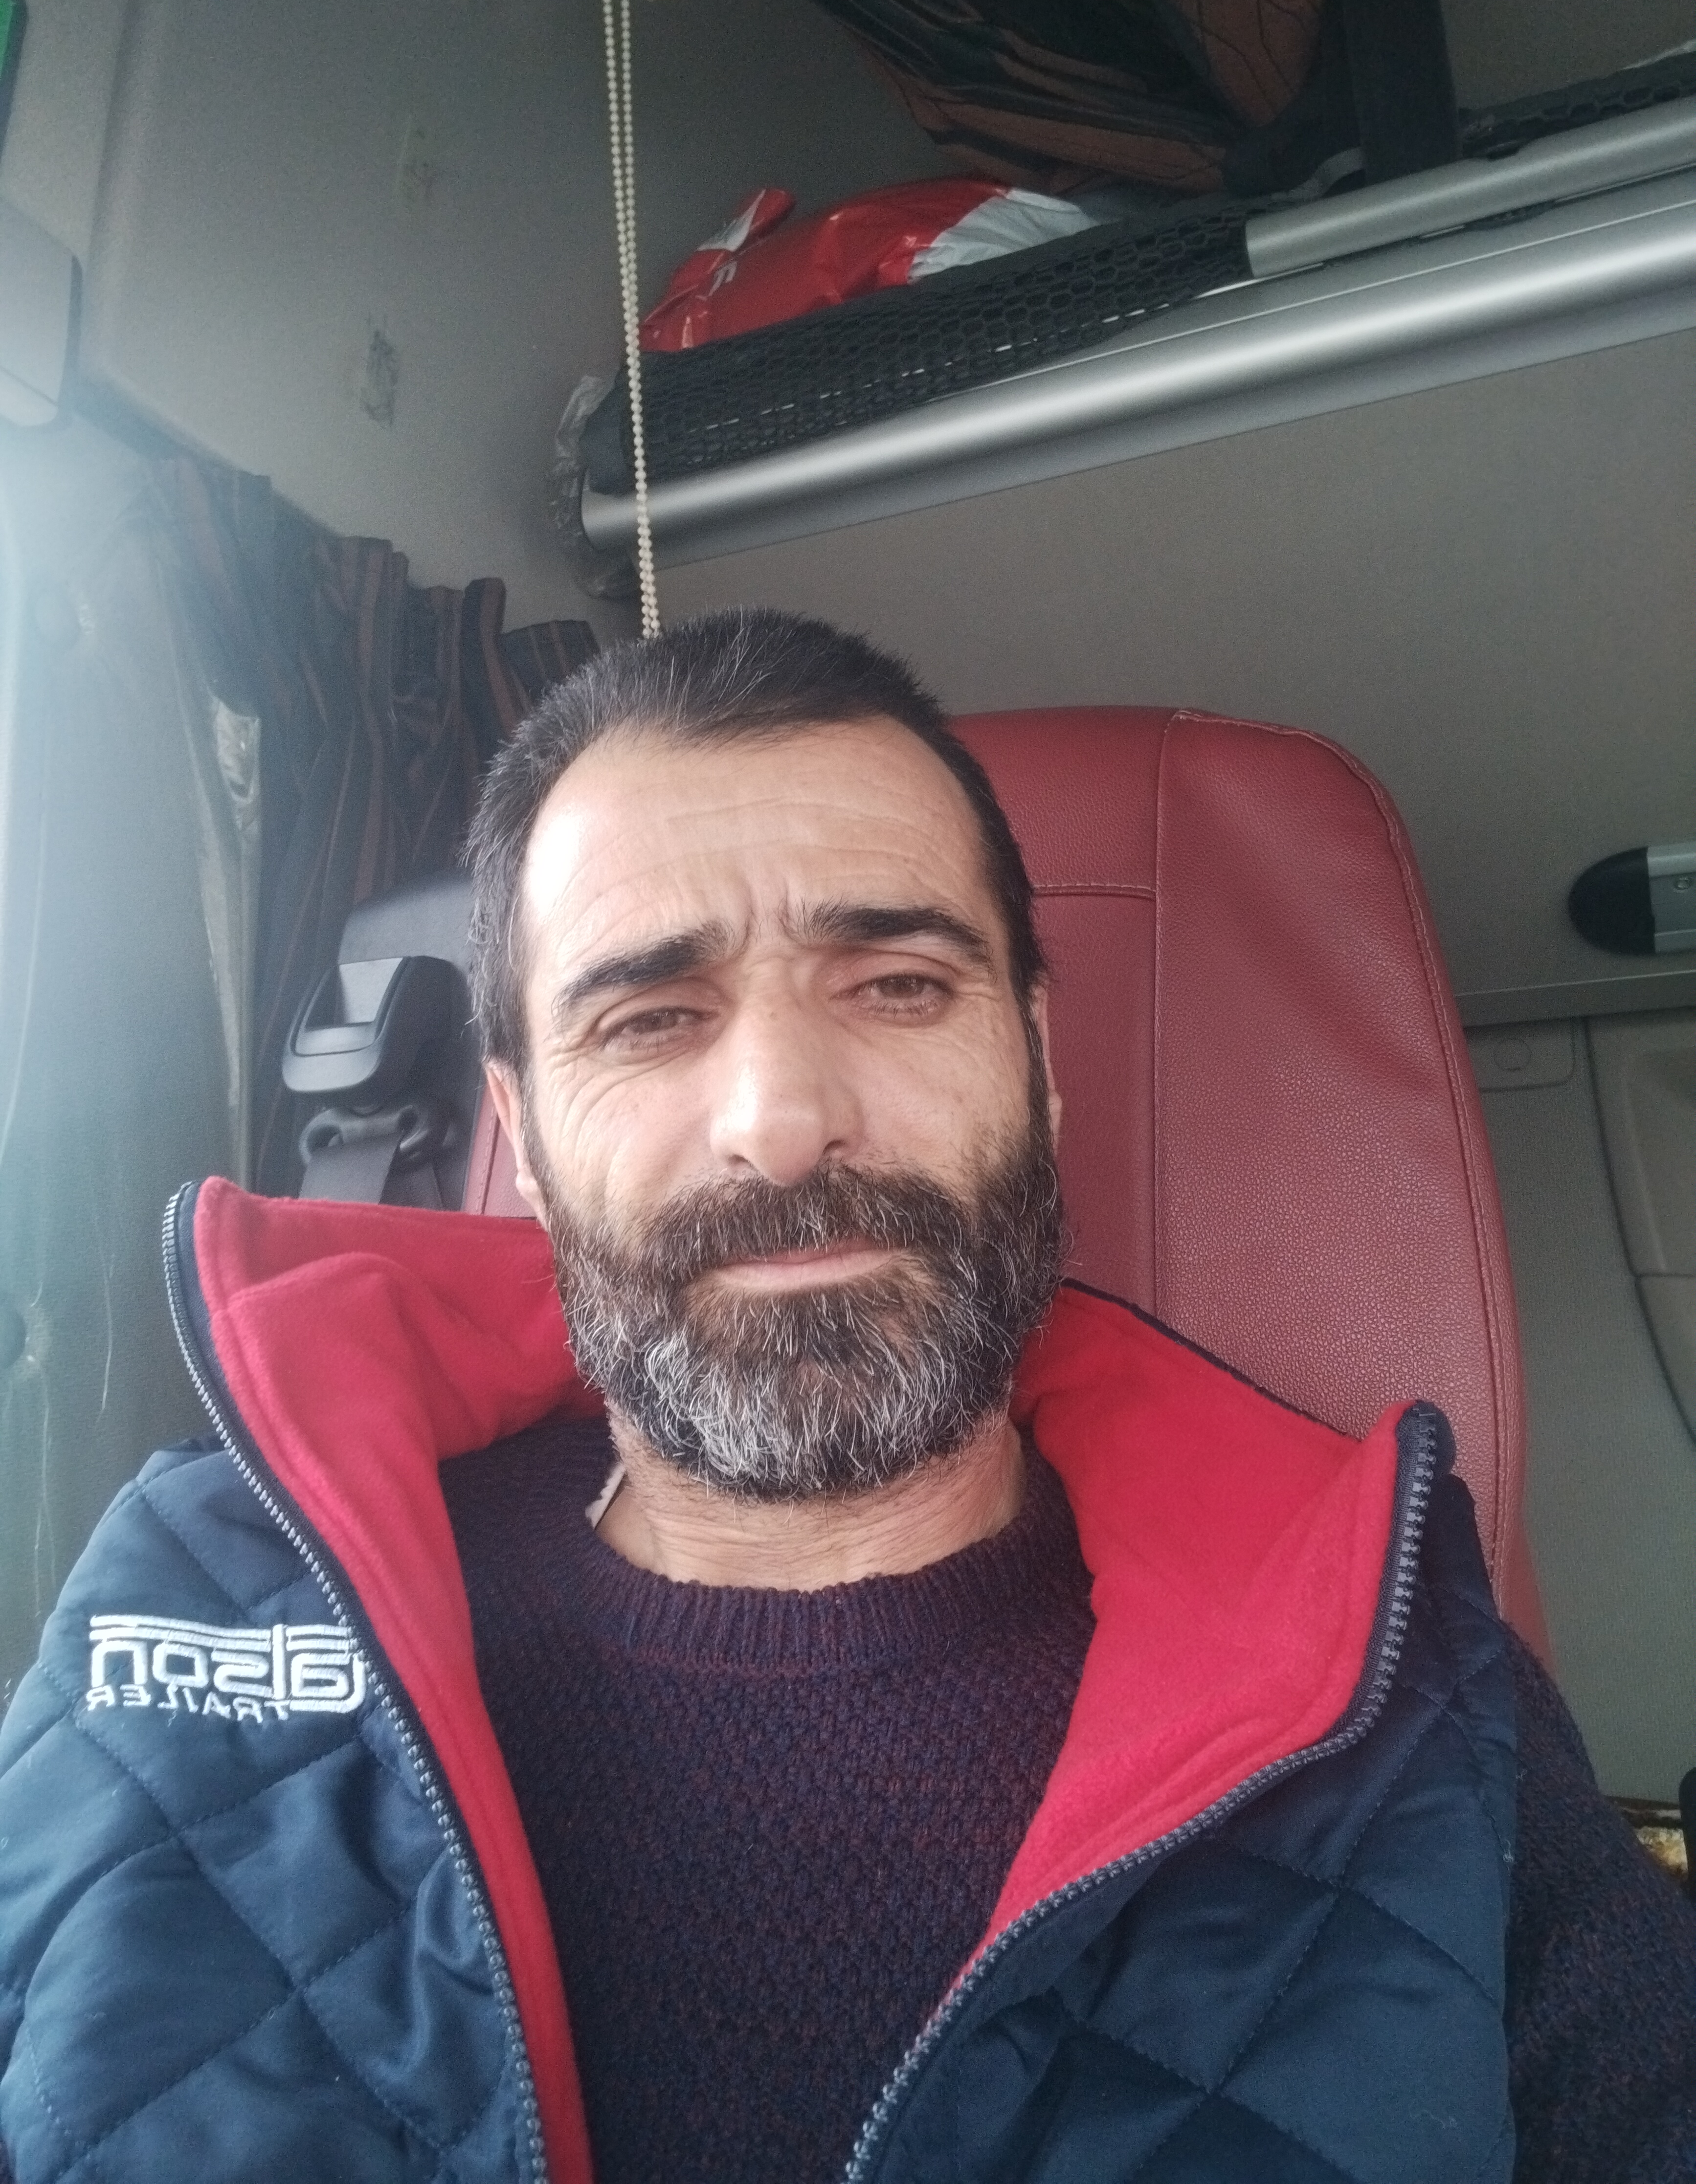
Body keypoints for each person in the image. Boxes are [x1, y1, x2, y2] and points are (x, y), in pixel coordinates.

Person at [1, 609, 1693, 2184]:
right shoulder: (199, 1587)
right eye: (649, 1017)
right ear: (518, 1131)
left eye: (896, 986)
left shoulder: (1388, 1662)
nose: (782, 1117)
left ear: (1033, 1061)